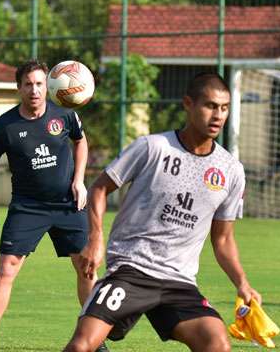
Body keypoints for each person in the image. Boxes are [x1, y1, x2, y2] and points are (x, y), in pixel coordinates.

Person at [63, 73, 262, 352]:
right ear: (188, 104)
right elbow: (98, 189)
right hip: (131, 271)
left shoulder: (231, 171)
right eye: (210, 106)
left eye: (224, 108)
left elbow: (223, 239)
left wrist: (243, 283)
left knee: (216, 343)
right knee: (82, 346)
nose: (218, 115)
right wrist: (96, 240)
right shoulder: (152, 148)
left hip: (179, 283)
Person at [0, 60, 107, 352]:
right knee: (6, 269)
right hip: (27, 206)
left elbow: (81, 143)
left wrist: (80, 180)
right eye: (28, 84)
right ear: (18, 88)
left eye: (39, 84)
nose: (34, 90)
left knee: (86, 268)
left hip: (68, 204)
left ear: (48, 86)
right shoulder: (4, 126)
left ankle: (96, 340)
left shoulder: (66, 114)